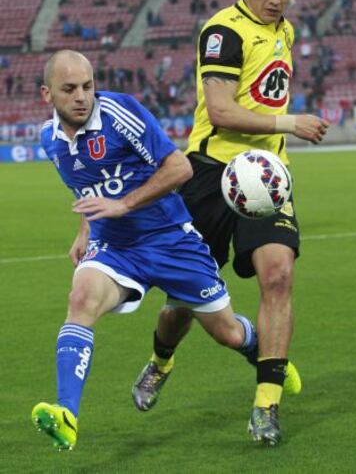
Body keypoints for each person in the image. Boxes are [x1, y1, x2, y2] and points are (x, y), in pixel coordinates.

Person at [132, 0, 328, 446]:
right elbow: (218, 110)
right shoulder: (224, 31)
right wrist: (289, 122)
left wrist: (279, 140)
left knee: (279, 275)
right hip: (211, 175)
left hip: (266, 178)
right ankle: (161, 360)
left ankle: (266, 405)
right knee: (184, 300)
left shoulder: (284, 31)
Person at [31, 49, 265, 451]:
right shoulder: (49, 139)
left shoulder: (120, 113)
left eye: (88, 86)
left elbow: (180, 168)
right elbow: (89, 184)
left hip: (171, 240)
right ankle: (66, 414)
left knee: (227, 333)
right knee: (81, 298)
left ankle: (265, 355)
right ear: (46, 95)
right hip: (114, 246)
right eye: (69, 89)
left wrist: (123, 205)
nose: (82, 96)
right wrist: (85, 228)